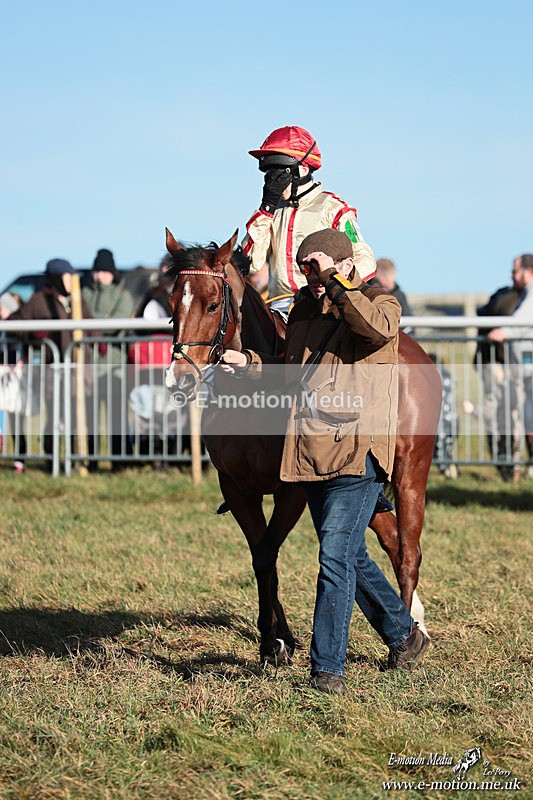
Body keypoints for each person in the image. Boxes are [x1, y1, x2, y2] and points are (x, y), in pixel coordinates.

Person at [221, 229, 430, 694]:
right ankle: (404, 635)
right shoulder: (303, 311)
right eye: (307, 269)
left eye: (318, 268)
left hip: (356, 454)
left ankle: (326, 671)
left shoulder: (380, 304)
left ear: (345, 266)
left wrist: (335, 281)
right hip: (310, 455)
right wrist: (250, 361)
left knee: (333, 558)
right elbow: (295, 372)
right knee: (352, 556)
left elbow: (374, 331)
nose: (312, 278)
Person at [242, 125, 377, 318]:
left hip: (325, 304)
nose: (273, 181)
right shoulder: (271, 212)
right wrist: (266, 209)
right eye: (268, 174)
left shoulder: (334, 208)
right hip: (279, 307)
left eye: (280, 173)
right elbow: (251, 264)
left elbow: (366, 261)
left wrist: (335, 288)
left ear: (303, 169)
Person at [8, 258, 92, 460]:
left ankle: (76, 460)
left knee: (76, 417)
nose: (71, 282)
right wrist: (34, 335)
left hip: (79, 372)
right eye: (66, 277)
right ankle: (51, 458)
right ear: (56, 279)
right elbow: (13, 323)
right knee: (54, 418)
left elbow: (92, 327)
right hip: (52, 372)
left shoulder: (78, 301)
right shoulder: (39, 300)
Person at [82, 249, 136, 470]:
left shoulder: (123, 295)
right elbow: (79, 318)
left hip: (115, 367)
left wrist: (90, 325)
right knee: (90, 419)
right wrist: (99, 322)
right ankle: (90, 462)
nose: (100, 275)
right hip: (89, 367)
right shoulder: (84, 293)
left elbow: (115, 324)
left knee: (117, 419)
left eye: (104, 271)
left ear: (112, 273)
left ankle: (120, 462)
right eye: (97, 270)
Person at [487, 254, 533, 480]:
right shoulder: (524, 294)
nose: (512, 275)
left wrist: (504, 332)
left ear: (527, 271)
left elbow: (525, 318)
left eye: (515, 271)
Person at [475, 273, 521, 480]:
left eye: (516, 270)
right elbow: (484, 315)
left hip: (512, 363)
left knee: (514, 414)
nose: (513, 275)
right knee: (496, 412)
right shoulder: (504, 296)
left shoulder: (516, 298)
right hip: (495, 361)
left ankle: (514, 463)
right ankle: (503, 461)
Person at [0, 291, 27, 471]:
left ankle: (20, 457)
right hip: (3, 377)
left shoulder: (19, 328)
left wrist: (21, 363)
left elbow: (27, 348)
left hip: (17, 379)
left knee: (17, 418)